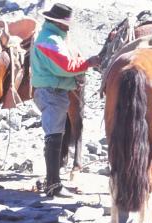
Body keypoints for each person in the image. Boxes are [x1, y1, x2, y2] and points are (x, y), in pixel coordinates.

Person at [31, 3, 101, 197]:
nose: (68, 27)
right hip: (51, 92)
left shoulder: (53, 37)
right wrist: (88, 63)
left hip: (53, 91)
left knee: (55, 135)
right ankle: (54, 185)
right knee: (53, 136)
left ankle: (54, 181)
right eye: (66, 23)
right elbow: (66, 67)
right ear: (58, 23)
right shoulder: (50, 40)